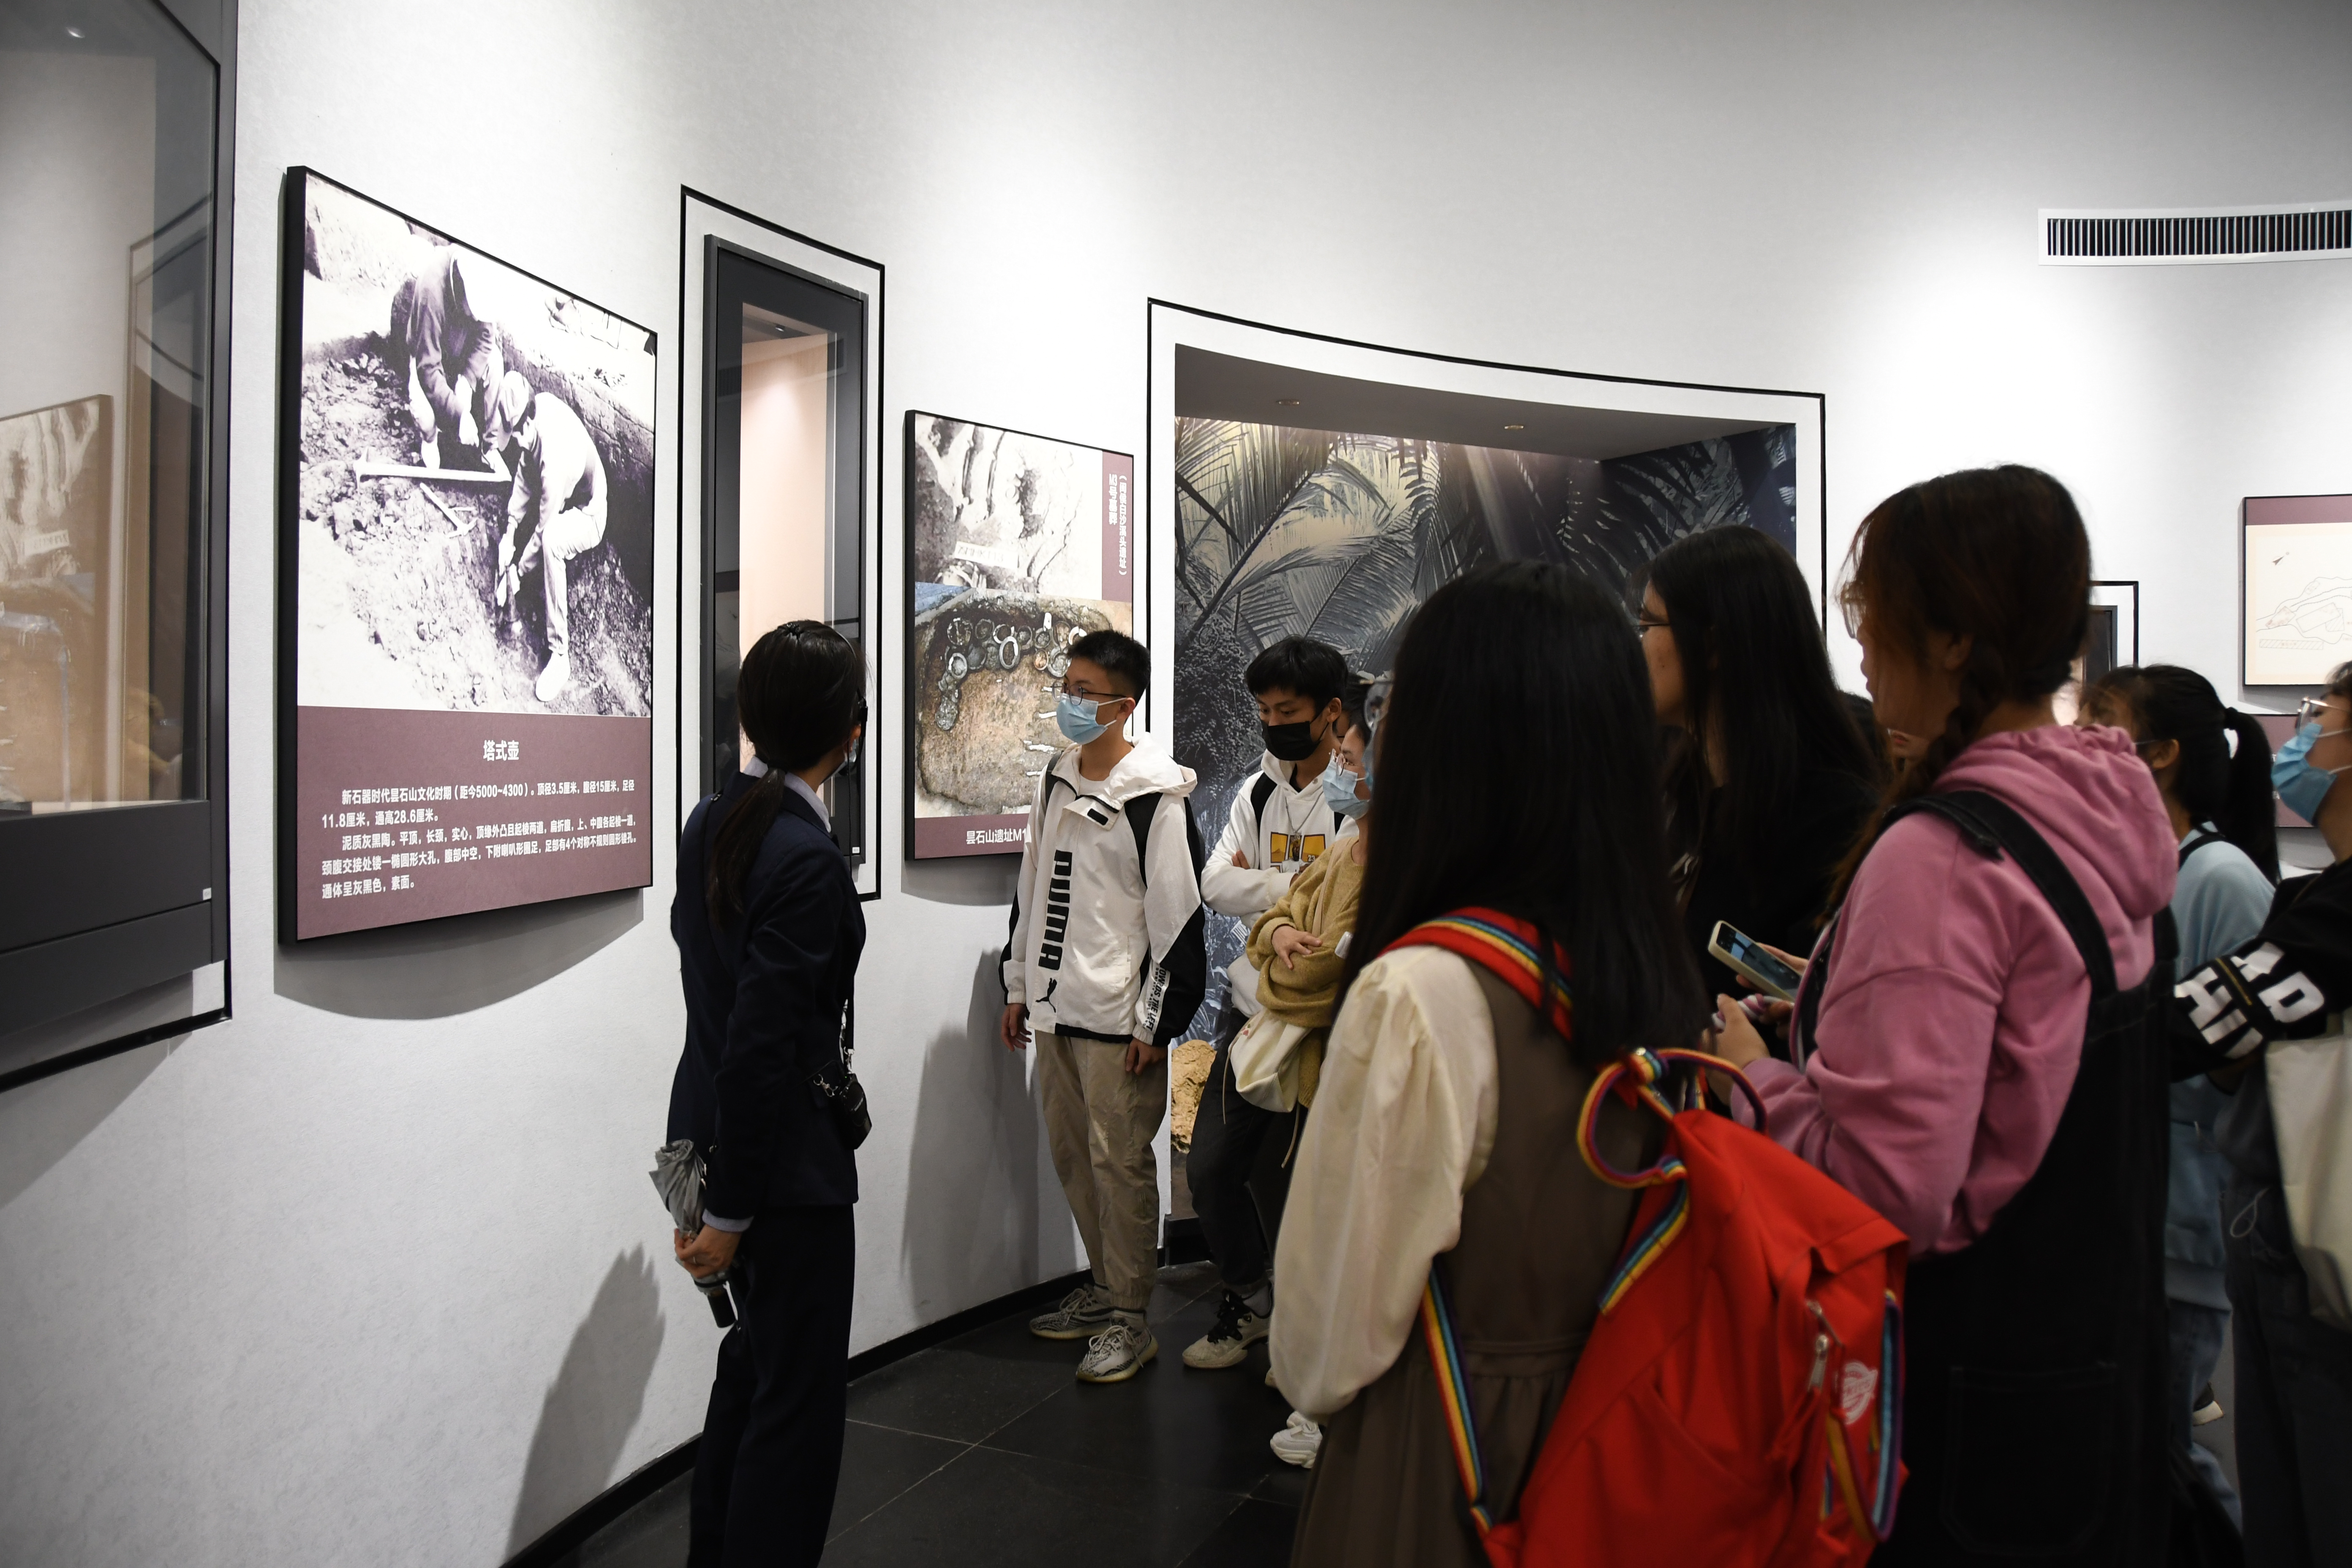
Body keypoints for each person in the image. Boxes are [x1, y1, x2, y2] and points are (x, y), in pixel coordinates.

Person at [1709, 466, 2179, 1560]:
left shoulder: (1942, 854)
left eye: (1874, 613)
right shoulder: (2104, 814)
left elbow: (1883, 1188)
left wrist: (1754, 1075)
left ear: (1955, 639)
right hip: (2100, 1379)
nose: (1863, 649)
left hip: (1966, 1415)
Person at [1271, 562, 1707, 1566]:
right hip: (1613, 1453)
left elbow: (1322, 1343)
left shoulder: (1420, 991)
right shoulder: (1649, 965)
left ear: (1446, 744)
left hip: (1443, 1458)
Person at [667, 621, 868, 1568]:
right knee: (795, 1411)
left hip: (711, 1143)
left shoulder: (711, 820)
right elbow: (760, 1050)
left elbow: (714, 1015)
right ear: (850, 729)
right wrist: (731, 1213)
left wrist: (703, 1194)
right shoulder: (805, 857)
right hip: (780, 1177)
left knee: (752, 1372)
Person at [2081, 663, 2278, 1530]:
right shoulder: (2126, 868)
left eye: (2100, 722)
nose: (2079, 741)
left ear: (2158, 752)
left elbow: (2246, 1065)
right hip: (2131, 1209)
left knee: (2169, 1459)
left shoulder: (2220, 879)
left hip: (2184, 1216)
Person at [2169, 669, 2352, 1568]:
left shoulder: (2331, 913)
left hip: (2317, 1252)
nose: (2303, 736)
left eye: (2323, 718)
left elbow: (2201, 1023)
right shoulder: (2314, 898)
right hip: (2276, 1242)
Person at [999, 629, 1208, 1383]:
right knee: (1072, 1155)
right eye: (1069, 687)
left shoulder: (1156, 796)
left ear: (1125, 705)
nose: (1071, 702)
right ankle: (1102, 1286)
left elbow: (1177, 922)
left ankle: (1131, 1318)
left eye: (1085, 693)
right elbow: (1031, 883)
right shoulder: (1057, 776)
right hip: (1056, 1008)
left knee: (1120, 1165)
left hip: (1119, 1021)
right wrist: (1017, 984)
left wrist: (1156, 1024)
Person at [1185, 637, 1351, 1373]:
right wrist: (1299, 892)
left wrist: (1265, 886)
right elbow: (1213, 883)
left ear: (1331, 711)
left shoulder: (1355, 798)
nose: (1273, 723)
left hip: (1325, 1021)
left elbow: (1348, 913)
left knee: (1309, 1184)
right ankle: (1251, 1299)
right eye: (1264, 711)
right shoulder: (1255, 790)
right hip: (1251, 1012)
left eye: (1288, 711)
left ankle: (1313, 1341)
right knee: (1210, 1170)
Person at [1639, 527, 1879, 1002]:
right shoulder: (1677, 792)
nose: (1639, 646)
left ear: (1712, 646)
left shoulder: (1835, 822)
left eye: (1649, 625)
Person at [1235, 690, 1373, 1468]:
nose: (1341, 768)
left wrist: (1280, 954)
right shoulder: (1346, 845)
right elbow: (1268, 922)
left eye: (1352, 756)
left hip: (1350, 1077)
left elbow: (1315, 982)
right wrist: (1282, 929)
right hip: (1314, 1082)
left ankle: (1333, 1405)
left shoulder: (1402, 865)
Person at [484, 371, 607, 704]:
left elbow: (543, 529)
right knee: (540, 525)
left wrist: (516, 572)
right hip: (565, 496)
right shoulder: (537, 409)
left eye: (515, 435)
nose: (515, 443)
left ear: (526, 423)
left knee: (552, 539)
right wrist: (510, 530)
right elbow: (525, 473)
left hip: (590, 515)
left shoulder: (554, 460)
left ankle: (560, 655)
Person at [385, 246, 504, 470]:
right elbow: (428, 368)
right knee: (426, 416)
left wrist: (467, 380)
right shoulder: (431, 290)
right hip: (429, 355)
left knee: (495, 363)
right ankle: (430, 439)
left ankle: (490, 447)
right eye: (473, 310)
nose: (475, 318)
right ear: (460, 286)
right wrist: (460, 415)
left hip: (461, 351)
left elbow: (487, 337)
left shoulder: (483, 275)